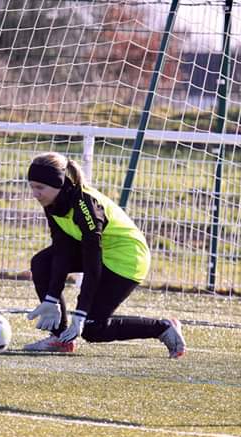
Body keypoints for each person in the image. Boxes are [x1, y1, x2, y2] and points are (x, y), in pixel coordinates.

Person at [24, 152, 186, 358]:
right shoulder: (53, 202)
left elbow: (93, 268)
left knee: (92, 329)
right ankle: (60, 338)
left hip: (127, 259)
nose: (35, 194)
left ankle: (163, 327)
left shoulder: (86, 207)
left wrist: (80, 314)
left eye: (40, 187)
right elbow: (61, 251)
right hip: (99, 253)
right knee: (42, 263)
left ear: (59, 183)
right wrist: (51, 297)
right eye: (32, 186)